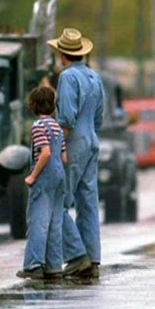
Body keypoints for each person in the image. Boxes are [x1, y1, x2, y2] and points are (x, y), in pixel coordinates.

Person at [48, 28, 105, 279]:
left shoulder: (67, 77)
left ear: (62, 54)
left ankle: (76, 255)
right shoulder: (94, 77)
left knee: (57, 200)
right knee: (88, 202)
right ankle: (92, 258)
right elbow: (99, 116)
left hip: (73, 142)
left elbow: (67, 117)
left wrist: (58, 147)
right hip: (92, 138)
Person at [16, 86, 68, 281]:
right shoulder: (56, 126)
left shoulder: (38, 126)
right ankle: (54, 266)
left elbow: (45, 153)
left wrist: (32, 176)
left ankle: (34, 264)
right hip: (59, 175)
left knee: (38, 221)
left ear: (33, 105)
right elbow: (63, 157)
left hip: (44, 175)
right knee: (55, 222)